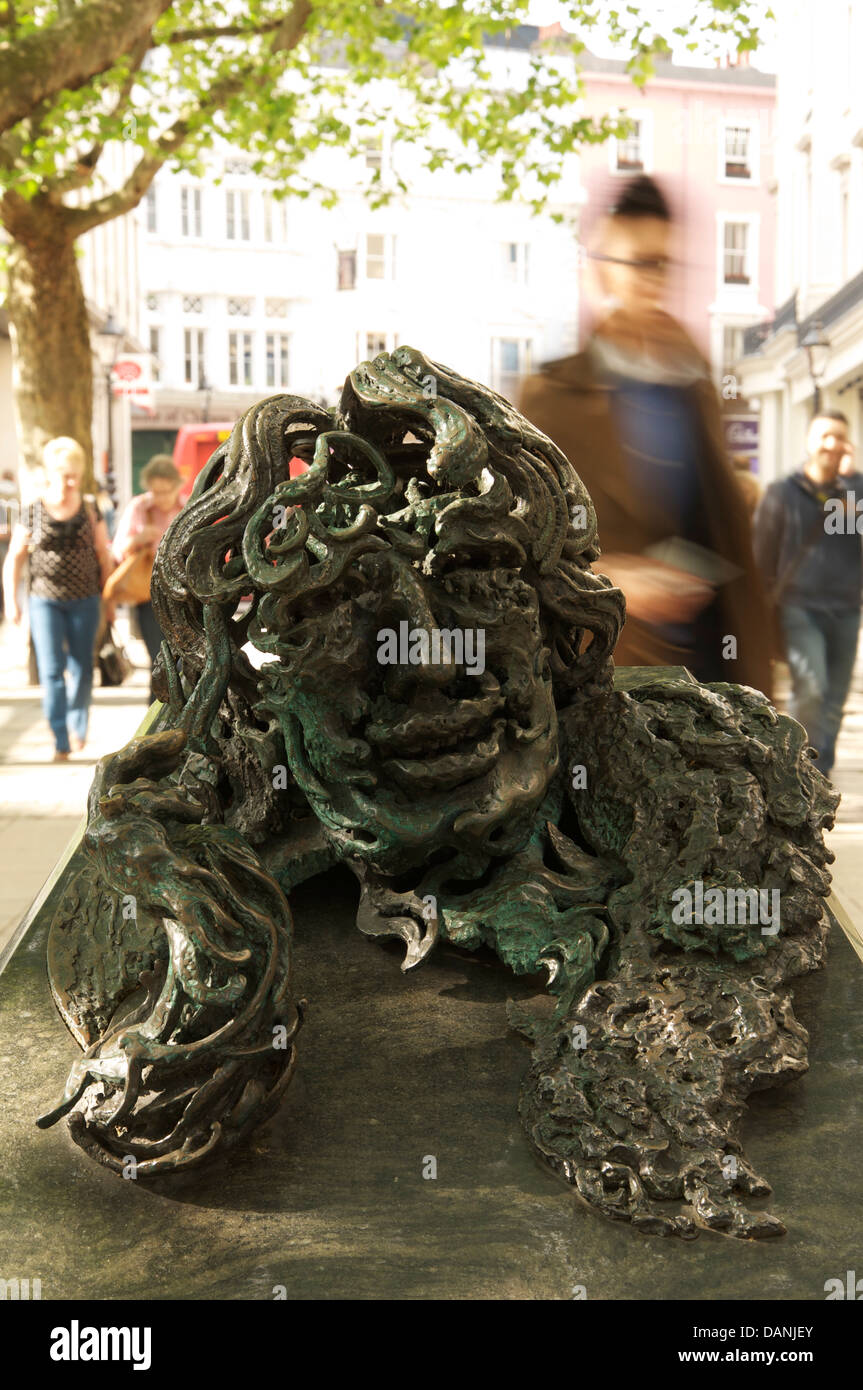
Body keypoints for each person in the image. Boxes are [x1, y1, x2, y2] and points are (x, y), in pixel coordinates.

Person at [518, 174, 772, 696]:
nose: (654, 278)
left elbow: (722, 530)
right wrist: (615, 580)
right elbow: (521, 547)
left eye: (665, 263)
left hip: (714, 662)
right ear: (599, 270)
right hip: (608, 667)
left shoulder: (697, 380)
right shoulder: (550, 394)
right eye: (640, 262)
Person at [753, 411, 861, 779]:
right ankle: (797, 768)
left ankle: (819, 775)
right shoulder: (782, 493)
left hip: (847, 608)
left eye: (840, 438)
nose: (832, 444)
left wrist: (853, 486)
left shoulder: (853, 495)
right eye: (825, 436)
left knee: (834, 702)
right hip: (799, 606)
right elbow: (760, 555)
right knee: (812, 689)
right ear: (810, 442)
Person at [2, 437, 114, 760]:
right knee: (51, 670)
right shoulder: (34, 509)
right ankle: (60, 737)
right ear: (50, 473)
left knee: (82, 667)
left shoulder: (90, 507)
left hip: (85, 599)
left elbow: (103, 556)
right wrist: (13, 602)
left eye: (74, 475)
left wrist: (109, 602)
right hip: (44, 601)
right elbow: (15, 558)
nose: (69, 482)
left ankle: (79, 725)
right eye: (64, 475)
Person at [112, 455, 183, 697]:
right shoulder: (139, 508)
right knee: (158, 659)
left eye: (166, 491)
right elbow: (119, 549)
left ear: (177, 486)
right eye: (156, 491)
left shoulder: (187, 508)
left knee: (182, 658)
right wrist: (140, 539)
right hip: (149, 595)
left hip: (182, 595)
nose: (161, 497)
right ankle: (156, 713)